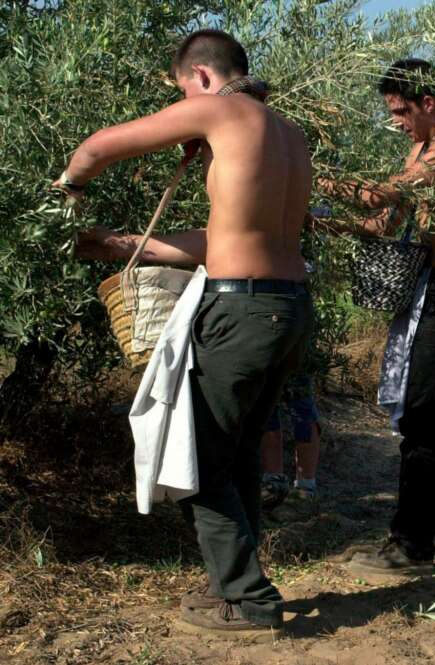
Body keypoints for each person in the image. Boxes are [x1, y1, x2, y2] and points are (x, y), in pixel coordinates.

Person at [69, 29, 314, 639]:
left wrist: (65, 189)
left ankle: (248, 598)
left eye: (183, 91)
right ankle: (229, 583)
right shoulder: (288, 134)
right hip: (287, 307)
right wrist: (130, 246)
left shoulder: (216, 107)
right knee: (236, 456)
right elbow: (231, 240)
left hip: (242, 313)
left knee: (196, 458)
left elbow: (100, 147)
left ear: (200, 77)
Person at [317, 58, 435, 574]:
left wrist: (309, 176)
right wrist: (322, 222)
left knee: (421, 414)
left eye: (400, 110)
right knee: (429, 416)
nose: (396, 120)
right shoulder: (420, 148)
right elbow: (382, 219)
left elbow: (386, 193)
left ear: (428, 103)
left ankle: (412, 542)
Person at [260, 373, 322, 510]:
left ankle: (306, 490)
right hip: (257, 358)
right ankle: (274, 484)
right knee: (265, 413)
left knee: (302, 413)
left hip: (291, 360)